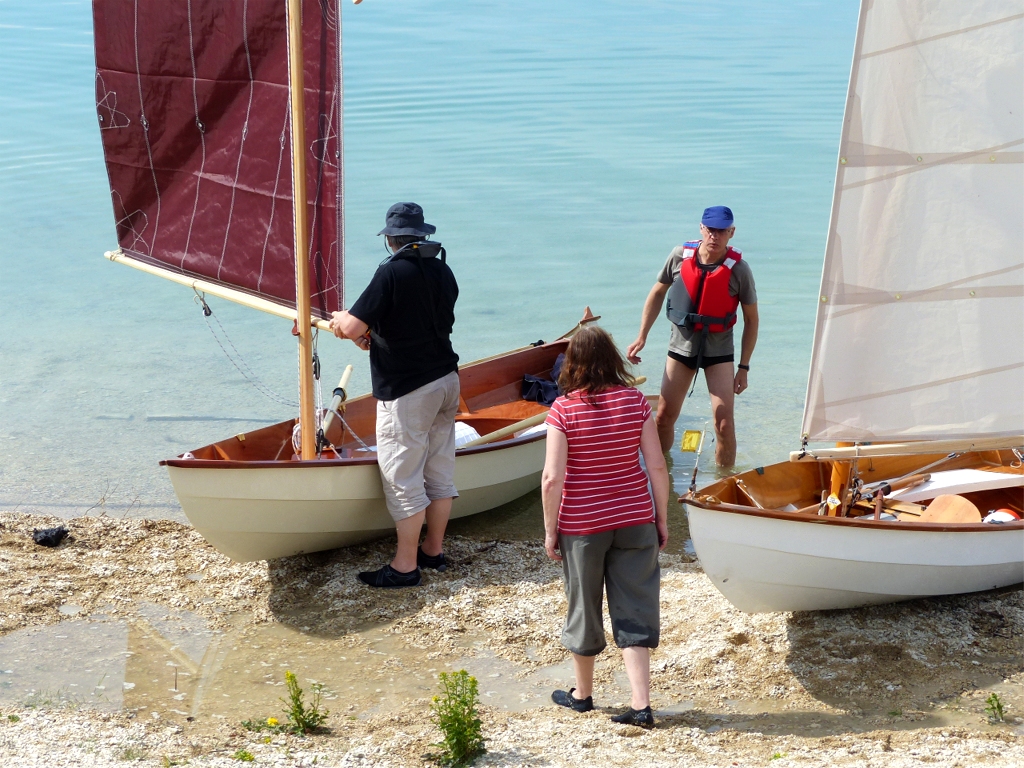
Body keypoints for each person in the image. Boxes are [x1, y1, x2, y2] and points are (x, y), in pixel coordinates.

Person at [541, 325, 670, 729]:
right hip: (635, 518)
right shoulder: (636, 402)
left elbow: (551, 478)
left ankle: (582, 695)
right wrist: (661, 517)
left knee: (583, 605)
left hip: (583, 525)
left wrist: (550, 530)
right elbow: (657, 465)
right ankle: (641, 705)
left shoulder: (563, 410)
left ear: (572, 364)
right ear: (613, 358)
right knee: (636, 606)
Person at [329, 202, 460, 588]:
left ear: (390, 240)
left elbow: (351, 326)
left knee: (403, 480)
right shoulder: (443, 270)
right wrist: (373, 336)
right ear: (423, 235)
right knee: (438, 472)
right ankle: (432, 551)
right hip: (446, 379)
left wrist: (340, 323)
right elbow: (417, 323)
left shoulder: (390, 273)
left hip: (407, 390)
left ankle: (405, 567)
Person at [626, 206, 758, 466]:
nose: (715, 236)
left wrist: (743, 367)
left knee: (724, 423)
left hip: (719, 353)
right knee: (663, 416)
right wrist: (642, 336)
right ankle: (660, 473)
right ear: (701, 228)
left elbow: (752, 320)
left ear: (731, 232)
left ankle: (724, 482)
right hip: (681, 348)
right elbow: (657, 293)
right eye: (710, 230)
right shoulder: (679, 256)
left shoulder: (739, 270)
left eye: (722, 231)